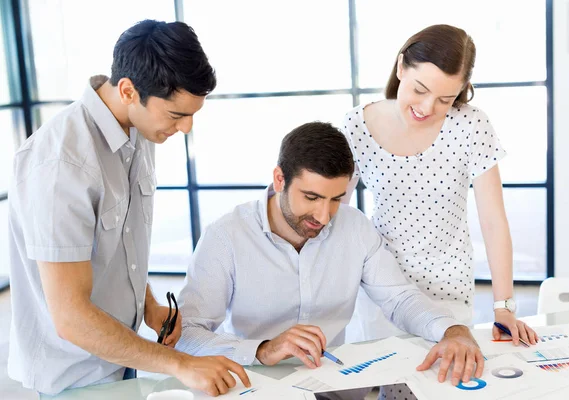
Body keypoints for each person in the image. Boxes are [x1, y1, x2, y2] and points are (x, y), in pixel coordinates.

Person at [8, 20, 248, 396]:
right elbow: (70, 317)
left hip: (124, 358)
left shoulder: (138, 128)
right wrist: (181, 364)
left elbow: (113, 245)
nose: (185, 129)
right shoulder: (61, 164)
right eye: (176, 115)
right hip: (73, 378)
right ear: (128, 90)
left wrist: (149, 303)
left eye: (192, 115)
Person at [176, 121, 485, 393]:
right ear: (279, 179)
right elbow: (187, 335)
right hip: (257, 385)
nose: (323, 216)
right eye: (311, 197)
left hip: (333, 386)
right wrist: (262, 350)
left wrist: (452, 330)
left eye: (335, 199)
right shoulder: (226, 237)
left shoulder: (355, 228)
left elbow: (400, 299)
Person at [340, 24, 538, 350]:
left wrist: (504, 307)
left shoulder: (471, 125)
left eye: (445, 99)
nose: (428, 108)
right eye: (420, 90)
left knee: (443, 385)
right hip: (382, 288)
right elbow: (336, 215)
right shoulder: (356, 125)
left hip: (448, 290)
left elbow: (493, 222)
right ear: (401, 67)